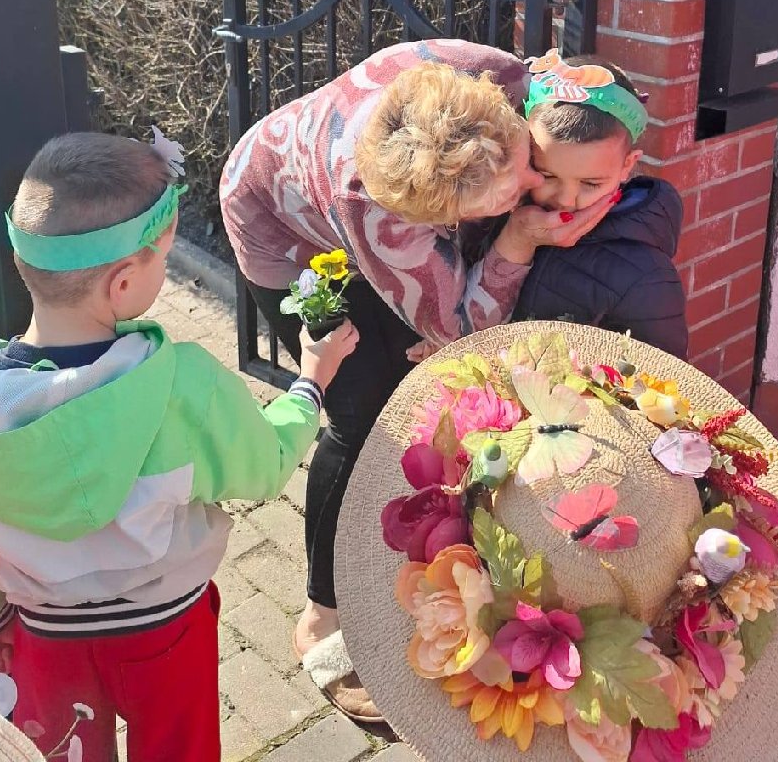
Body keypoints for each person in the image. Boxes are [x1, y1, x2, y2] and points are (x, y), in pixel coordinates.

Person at [0, 131, 358, 762]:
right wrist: (311, 381)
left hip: (43, 636)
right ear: (123, 283)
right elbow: (265, 464)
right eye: (162, 260)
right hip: (166, 629)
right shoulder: (180, 384)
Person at [219, 38, 613, 721]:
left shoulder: (489, 74)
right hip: (283, 229)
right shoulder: (379, 214)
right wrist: (518, 241)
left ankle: (395, 554)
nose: (540, 186)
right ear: (440, 220)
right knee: (361, 415)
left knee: (417, 359)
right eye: (511, 194)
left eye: (527, 161)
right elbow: (459, 329)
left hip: (341, 178)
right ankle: (320, 618)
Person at [511, 50, 687, 354]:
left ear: (627, 165)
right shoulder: (501, 210)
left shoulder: (646, 278)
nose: (566, 200)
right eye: (546, 175)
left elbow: (661, 378)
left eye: (591, 184)